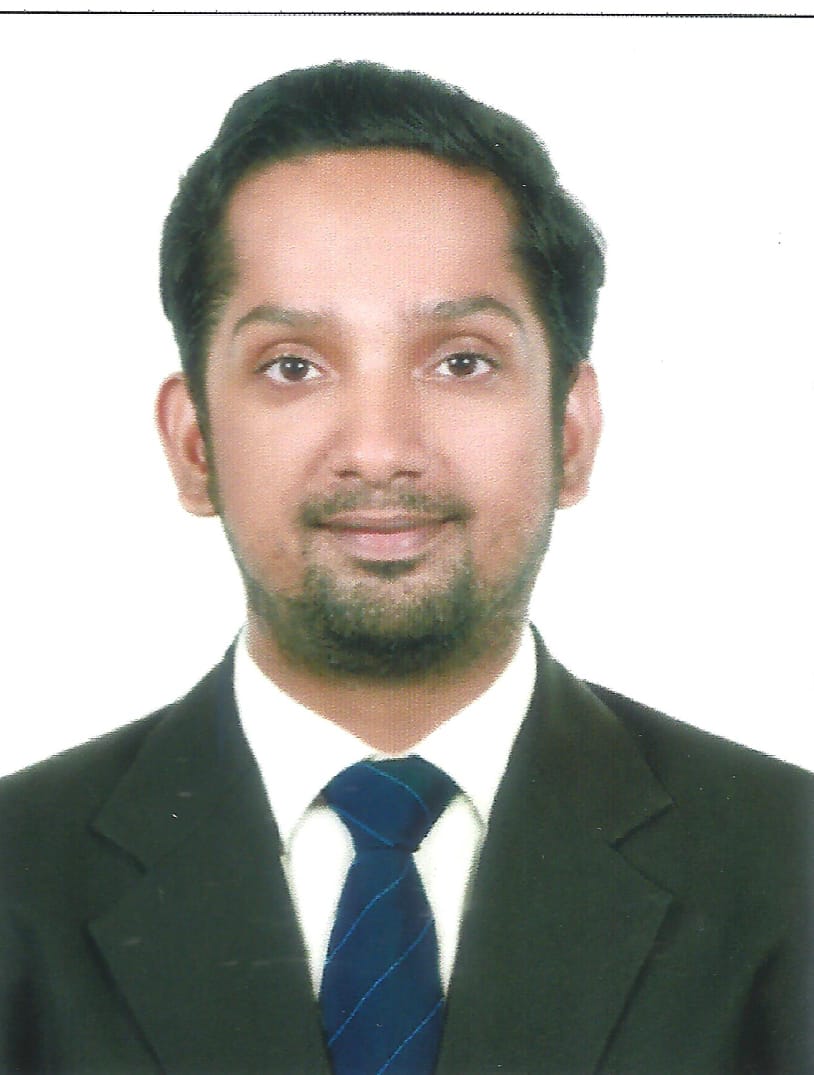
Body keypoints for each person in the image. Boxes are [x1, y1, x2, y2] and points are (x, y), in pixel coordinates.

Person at [0, 59, 811, 1075]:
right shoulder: (17, 877)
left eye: (461, 360)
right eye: (293, 366)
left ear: (570, 432)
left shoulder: (789, 866)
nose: (380, 448)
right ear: (194, 443)